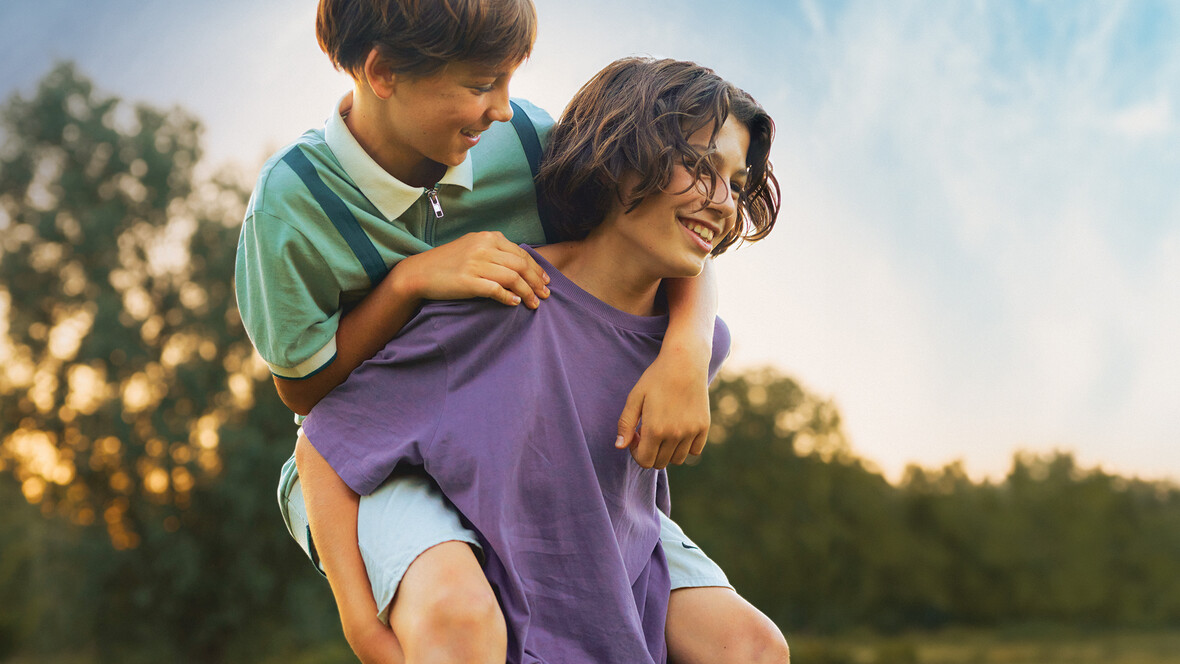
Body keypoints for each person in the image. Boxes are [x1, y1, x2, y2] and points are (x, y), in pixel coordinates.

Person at [234, 0, 786, 661]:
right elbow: (306, 394)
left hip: (524, 452)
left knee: (749, 646)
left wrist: (688, 350)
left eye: (508, 80)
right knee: (458, 617)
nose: (502, 106)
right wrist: (410, 283)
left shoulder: (524, 140)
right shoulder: (291, 204)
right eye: (479, 84)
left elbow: (658, 227)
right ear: (382, 72)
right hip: (379, 453)